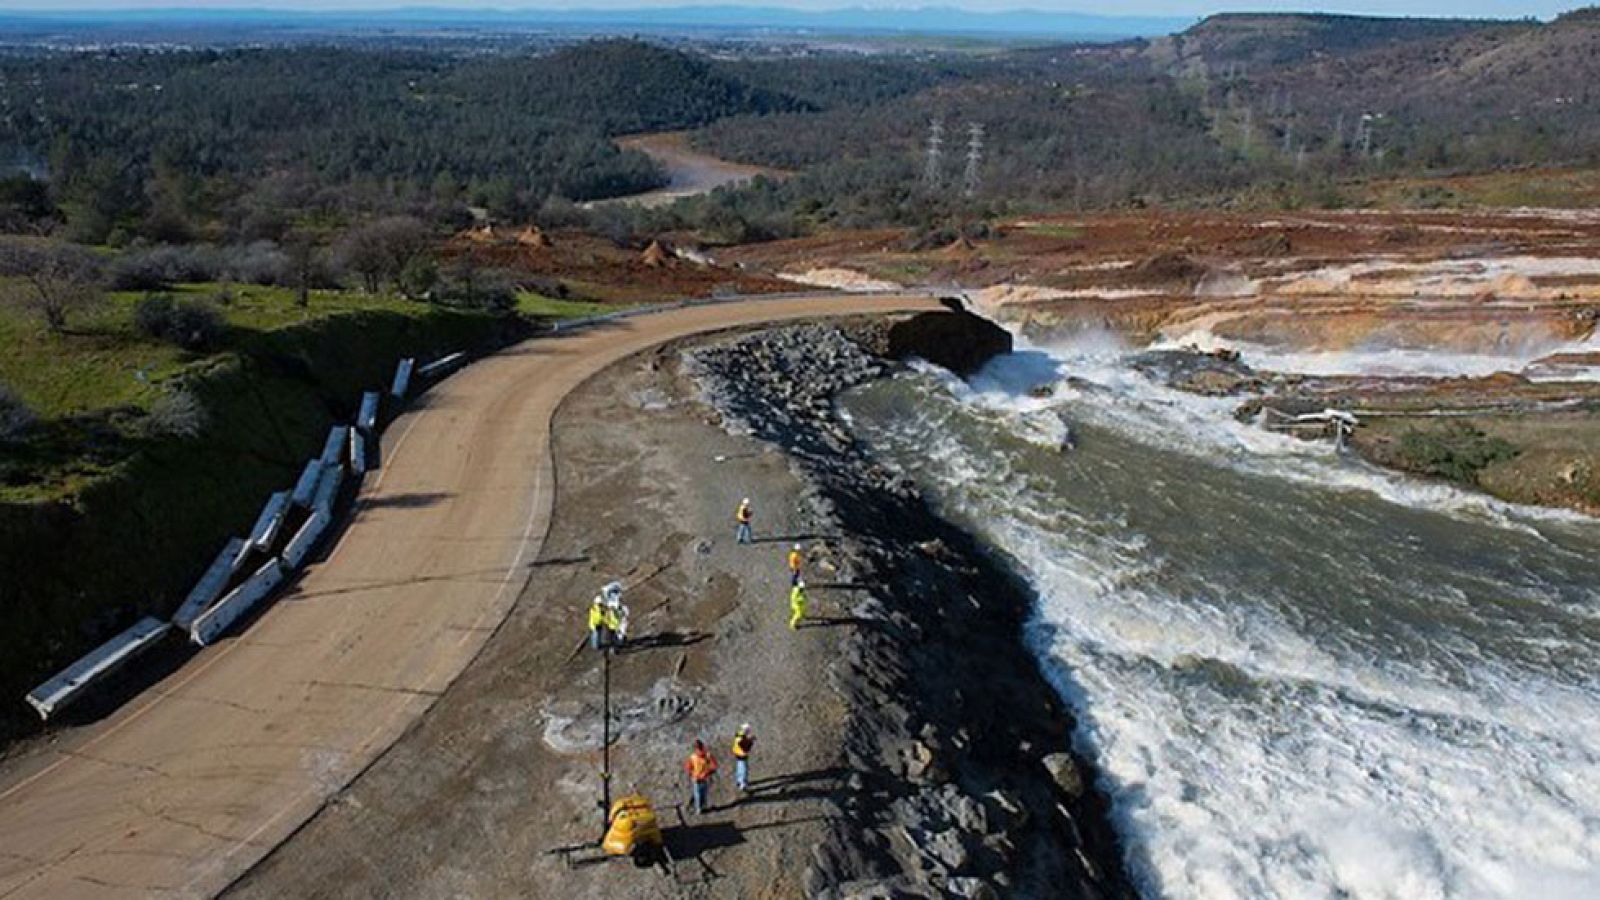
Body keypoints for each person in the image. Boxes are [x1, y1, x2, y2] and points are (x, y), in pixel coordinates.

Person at [683, 739, 719, 815]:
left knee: (701, 794)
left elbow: (714, 766)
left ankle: (700, 807)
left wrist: (706, 772)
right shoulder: (694, 757)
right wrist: (693, 774)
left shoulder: (705, 755)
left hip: (702, 778)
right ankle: (698, 808)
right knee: (699, 794)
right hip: (698, 778)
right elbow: (688, 768)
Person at [731, 724, 755, 792]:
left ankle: (739, 781)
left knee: (739, 769)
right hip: (742, 756)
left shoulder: (739, 735)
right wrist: (751, 741)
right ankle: (742, 784)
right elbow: (746, 747)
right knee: (743, 770)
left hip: (738, 755)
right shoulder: (741, 738)